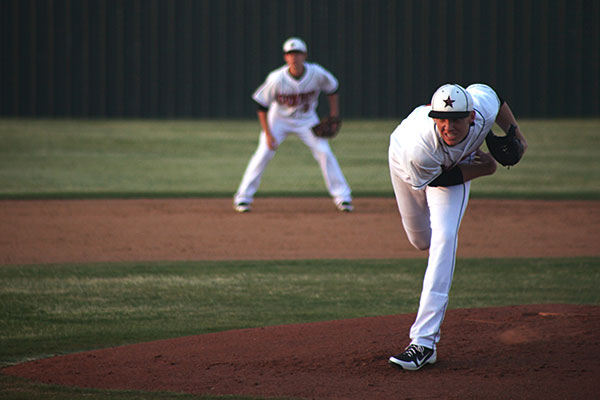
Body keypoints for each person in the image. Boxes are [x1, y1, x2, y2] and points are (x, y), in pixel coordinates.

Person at [387, 83, 528, 371]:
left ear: (472, 117)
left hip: (455, 165)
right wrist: (486, 169)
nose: (449, 126)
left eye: (456, 119)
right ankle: (425, 340)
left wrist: (518, 136)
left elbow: (497, 96)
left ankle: (423, 342)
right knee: (420, 241)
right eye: (442, 118)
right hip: (406, 164)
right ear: (433, 117)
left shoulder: (482, 109)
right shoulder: (419, 149)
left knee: (443, 239)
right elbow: (438, 180)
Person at [233, 37, 353, 213]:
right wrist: (268, 134)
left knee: (324, 152)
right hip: (278, 120)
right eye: (290, 54)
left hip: (307, 120)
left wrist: (334, 114)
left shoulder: (317, 73)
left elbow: (332, 88)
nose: (294, 57)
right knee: (263, 153)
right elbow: (262, 106)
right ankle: (243, 198)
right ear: (285, 57)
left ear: (304, 55)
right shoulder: (276, 78)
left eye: (297, 53)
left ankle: (343, 197)